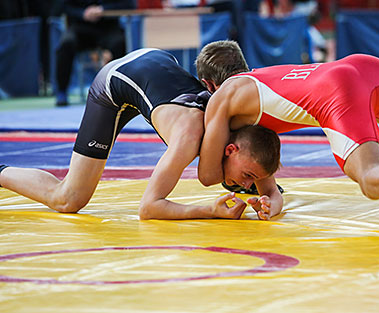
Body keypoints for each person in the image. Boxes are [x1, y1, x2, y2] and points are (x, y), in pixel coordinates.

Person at [195, 40, 379, 237]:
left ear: (208, 86)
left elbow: (207, 175)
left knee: (368, 175)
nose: (245, 183)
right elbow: (266, 182)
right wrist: (268, 200)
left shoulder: (223, 98)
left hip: (337, 91)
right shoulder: (257, 84)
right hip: (363, 67)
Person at [0, 48, 281, 220]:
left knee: (231, 175)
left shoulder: (248, 138)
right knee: (68, 199)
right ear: (231, 150)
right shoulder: (189, 136)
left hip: (158, 62)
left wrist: (271, 204)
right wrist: (209, 211)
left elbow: (270, 190)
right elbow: (148, 208)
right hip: (118, 79)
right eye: (248, 178)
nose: (248, 186)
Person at [54, 0, 135, 106]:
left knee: (119, 43)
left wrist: (103, 10)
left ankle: (120, 91)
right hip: (80, 27)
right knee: (65, 44)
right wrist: (83, 13)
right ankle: (62, 91)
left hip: (108, 27)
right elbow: (62, 7)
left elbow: (129, 4)